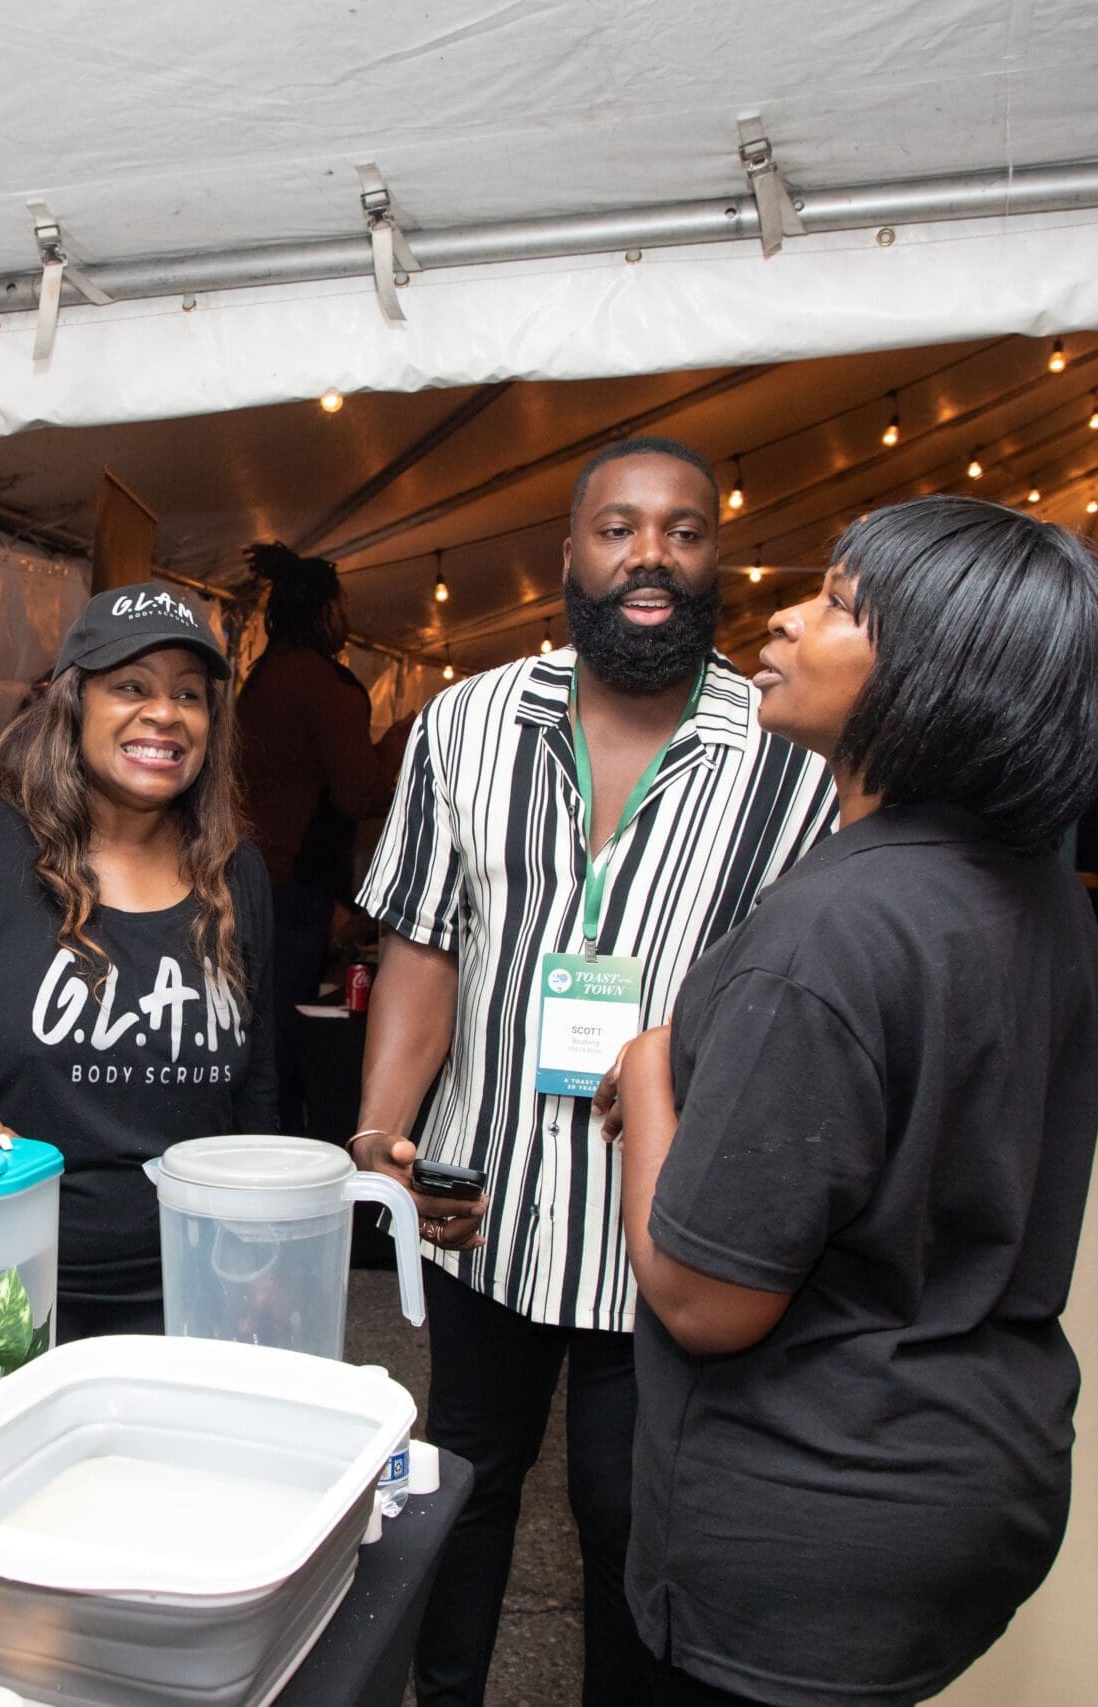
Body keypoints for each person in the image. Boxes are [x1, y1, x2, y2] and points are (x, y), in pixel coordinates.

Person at [598, 496, 1098, 1706]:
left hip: (809, 1517)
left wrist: (647, 1073)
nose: (785, 616)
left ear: (942, 676)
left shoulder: (835, 924)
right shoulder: (1032, 888)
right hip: (974, 1476)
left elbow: (703, 1299)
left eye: (842, 605)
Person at [350, 437, 836, 1706]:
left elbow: (809, 995)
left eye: (683, 532)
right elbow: (421, 943)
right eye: (617, 529)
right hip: (481, 1198)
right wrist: (381, 1141)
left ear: (714, 557)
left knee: (634, 1519)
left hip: (669, 1214)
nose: (650, 558)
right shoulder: (466, 722)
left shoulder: (787, 755)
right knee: (458, 1484)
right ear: (567, 555)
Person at [0, 582, 279, 1340]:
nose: (165, 713)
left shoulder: (236, 877)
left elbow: (260, 1089)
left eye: (189, 694)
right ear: (74, 703)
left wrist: (262, 1249)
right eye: (132, 687)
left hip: (185, 1286)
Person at [236, 542, 395, 1127]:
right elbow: (360, 792)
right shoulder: (323, 685)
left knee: (260, 1035)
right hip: (290, 890)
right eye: (342, 605)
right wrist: (397, 747)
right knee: (286, 1046)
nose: (347, 618)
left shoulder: (266, 674)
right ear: (326, 610)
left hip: (254, 878)